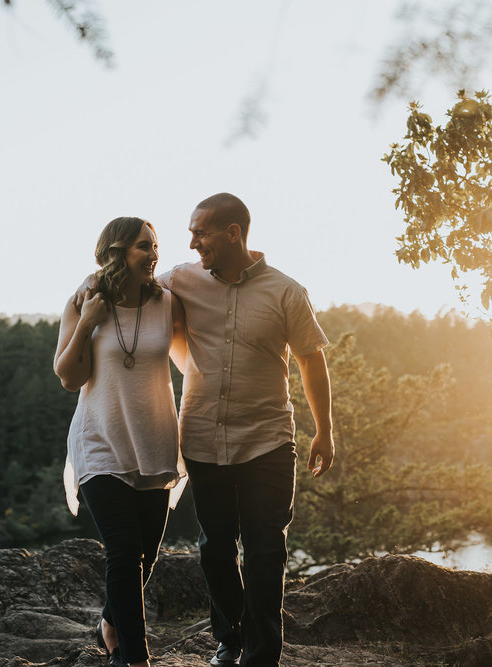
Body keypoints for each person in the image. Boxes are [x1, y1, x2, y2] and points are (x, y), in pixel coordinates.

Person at [159, 193, 335, 666]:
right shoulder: (179, 279)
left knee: (264, 552)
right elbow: (131, 288)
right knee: (215, 550)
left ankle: (261, 656)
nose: (193, 242)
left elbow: (311, 359)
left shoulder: (286, 291)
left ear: (233, 232)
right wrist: (89, 290)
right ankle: (229, 639)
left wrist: (325, 430)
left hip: (268, 441)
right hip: (201, 437)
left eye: (201, 232)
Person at [54, 217, 187, 667]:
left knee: (145, 557)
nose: (153, 254)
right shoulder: (84, 303)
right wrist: (87, 322)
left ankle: (110, 622)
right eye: (142, 247)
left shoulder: (168, 302)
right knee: (124, 551)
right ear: (116, 252)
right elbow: (70, 378)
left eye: (155, 246)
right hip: (100, 442)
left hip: (154, 442)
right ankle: (134, 658)